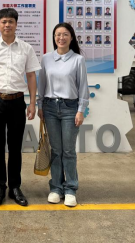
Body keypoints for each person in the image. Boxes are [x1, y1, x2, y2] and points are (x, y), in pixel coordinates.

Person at [0, 8, 41, 207]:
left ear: (16, 24)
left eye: (11, 22)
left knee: (15, 147)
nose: (7, 25)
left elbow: (31, 76)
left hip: (17, 101)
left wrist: (32, 103)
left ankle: (15, 187)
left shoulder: (26, 48)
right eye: (4, 22)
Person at [37, 22, 89, 207]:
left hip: (70, 108)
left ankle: (70, 189)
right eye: (58, 34)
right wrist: (40, 105)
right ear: (54, 38)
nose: (61, 38)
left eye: (65, 34)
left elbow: (83, 87)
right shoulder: (46, 58)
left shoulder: (78, 60)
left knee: (68, 151)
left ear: (71, 37)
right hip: (50, 107)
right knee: (56, 150)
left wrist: (81, 110)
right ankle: (56, 188)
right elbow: (42, 84)